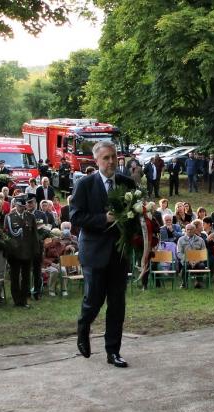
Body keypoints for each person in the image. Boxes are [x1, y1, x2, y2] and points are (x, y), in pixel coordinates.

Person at [70, 141, 136, 368]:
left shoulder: (127, 184)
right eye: (106, 158)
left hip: (119, 254)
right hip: (94, 252)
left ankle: (113, 351)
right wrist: (103, 219)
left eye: (114, 157)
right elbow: (76, 217)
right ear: (96, 160)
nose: (111, 162)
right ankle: (83, 325)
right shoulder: (85, 184)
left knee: (117, 304)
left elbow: (135, 216)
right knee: (94, 300)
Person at [5, 195, 39, 307]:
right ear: (15, 205)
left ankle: (24, 300)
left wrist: (36, 250)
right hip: (14, 253)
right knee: (14, 277)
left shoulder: (30, 216)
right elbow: (6, 236)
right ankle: (16, 300)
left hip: (27, 252)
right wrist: (8, 251)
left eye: (23, 206)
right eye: (19, 206)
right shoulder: (9, 217)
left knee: (26, 277)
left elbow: (34, 235)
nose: (21, 208)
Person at [176, 223, 206, 288]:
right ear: (185, 230)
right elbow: (179, 253)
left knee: (202, 266)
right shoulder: (181, 240)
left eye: (191, 229)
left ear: (195, 230)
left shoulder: (200, 240)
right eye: (188, 229)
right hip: (186, 260)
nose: (189, 231)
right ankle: (184, 283)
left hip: (198, 260)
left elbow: (203, 253)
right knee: (186, 266)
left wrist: (197, 261)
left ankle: (198, 282)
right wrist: (188, 260)